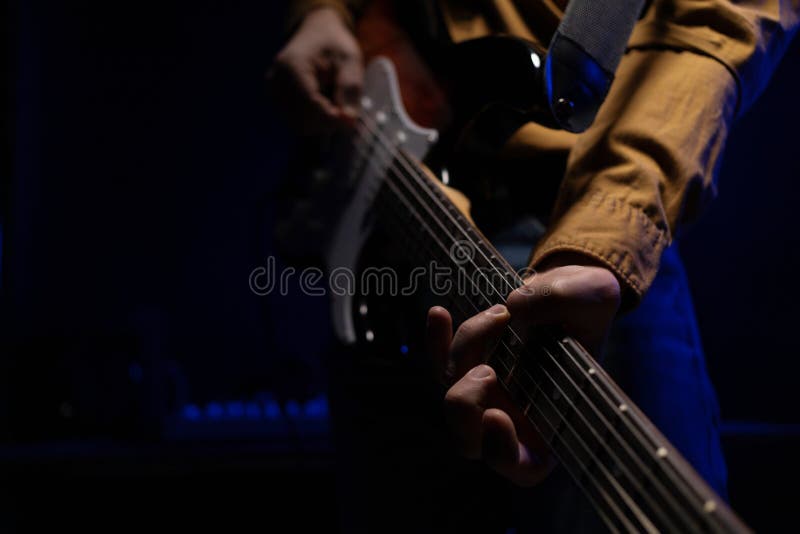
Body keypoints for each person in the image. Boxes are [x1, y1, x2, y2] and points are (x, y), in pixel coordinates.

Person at [270, 1, 799, 531]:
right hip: (386, 237)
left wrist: (595, 246)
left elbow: (713, 23)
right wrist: (322, 13)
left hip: (581, 214)